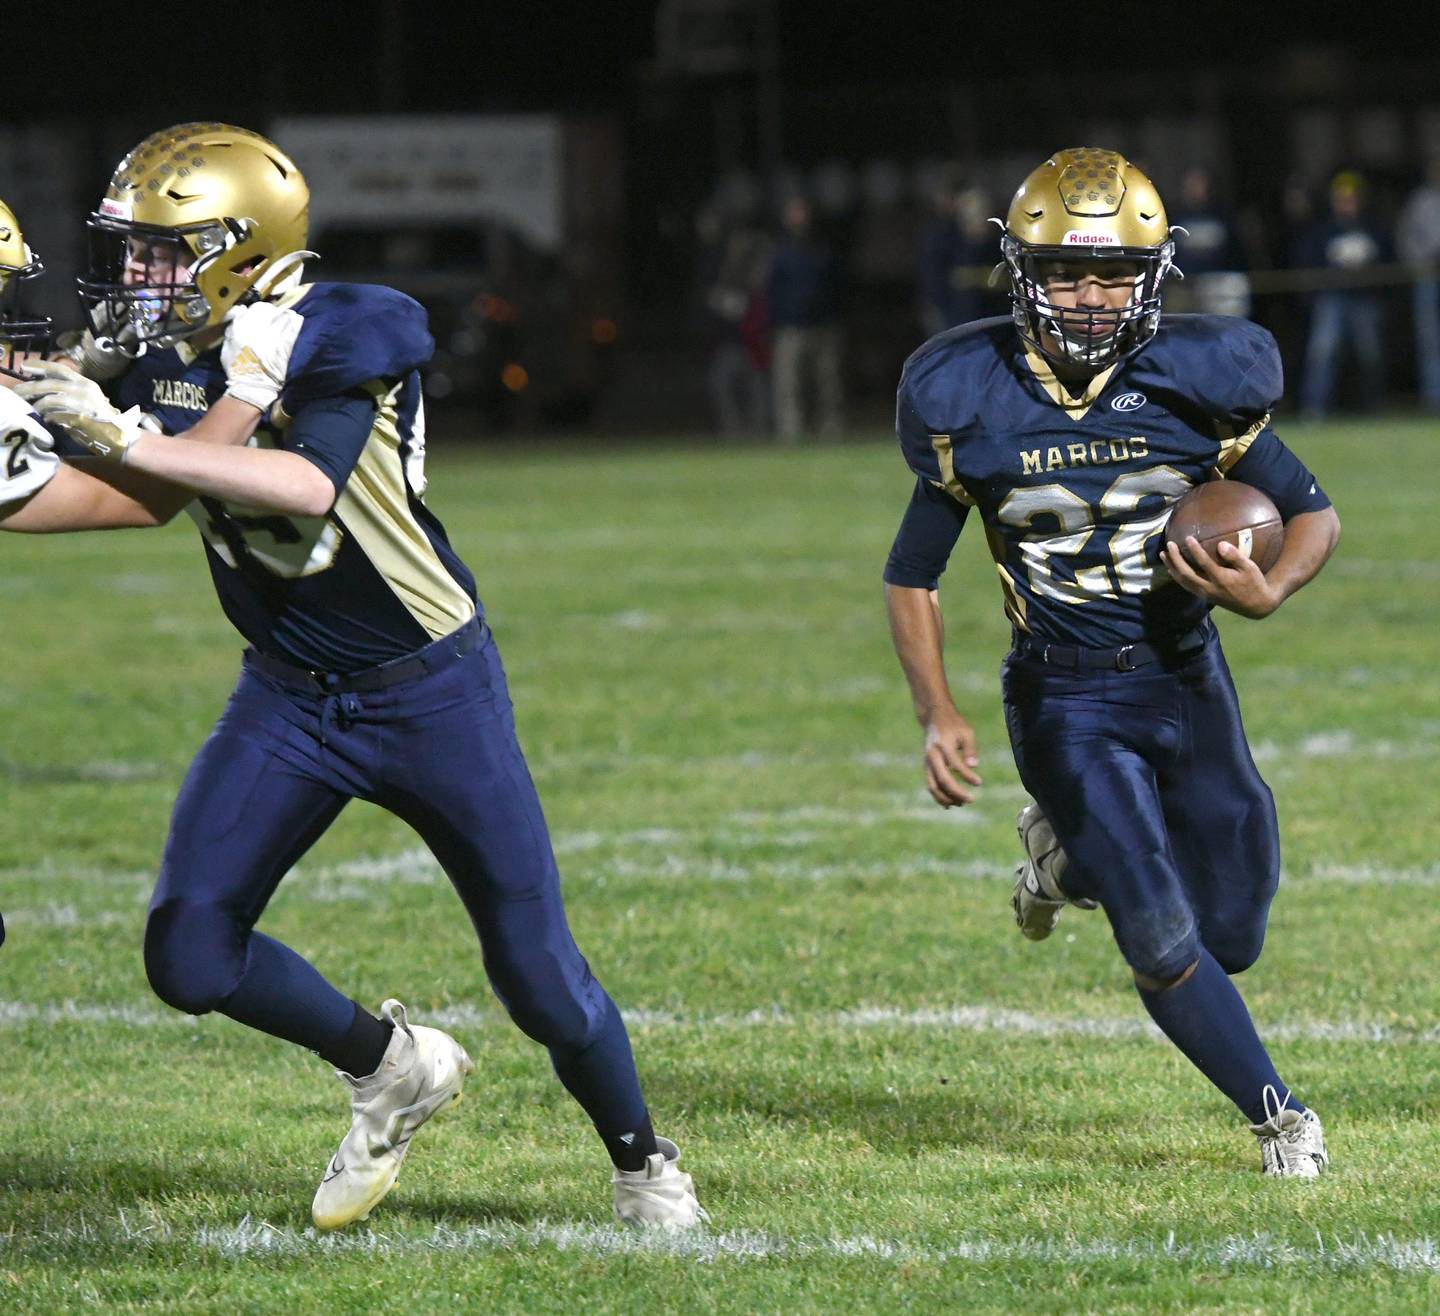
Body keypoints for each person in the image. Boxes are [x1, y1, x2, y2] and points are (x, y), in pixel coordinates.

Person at [17, 122, 705, 1232]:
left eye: (161, 251)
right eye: (130, 250)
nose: (137, 277)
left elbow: (296, 484)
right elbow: (143, 486)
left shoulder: (347, 325)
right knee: (188, 950)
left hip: (428, 685)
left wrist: (124, 437)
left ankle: (644, 1159)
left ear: (242, 248)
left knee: (536, 973)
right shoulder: (163, 356)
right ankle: (389, 1066)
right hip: (288, 692)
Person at [882, 148, 1340, 1176]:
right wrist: (937, 711)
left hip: (1186, 675)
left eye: (1115, 274)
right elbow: (912, 572)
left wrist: (1274, 587)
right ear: (1021, 272)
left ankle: (1060, 860)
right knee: (1157, 922)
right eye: (1066, 274)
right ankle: (1280, 1116)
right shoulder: (971, 388)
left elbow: (1313, 511)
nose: (1092, 297)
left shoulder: (1198, 381)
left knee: (1232, 931)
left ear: (1155, 273)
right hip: (1064, 694)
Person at [1296, 171, 1391, 417]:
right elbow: (1310, 264)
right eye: (1342, 198)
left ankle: (1374, 407)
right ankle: (1315, 409)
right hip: (1332, 299)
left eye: (1351, 198)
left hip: (1365, 300)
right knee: (1323, 352)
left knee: (1372, 354)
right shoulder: (1323, 231)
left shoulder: (1374, 228)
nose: (1347, 203)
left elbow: (1390, 262)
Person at [767, 196, 844, 440]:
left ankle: (831, 426)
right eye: (794, 212)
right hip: (791, 327)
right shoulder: (781, 253)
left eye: (802, 212)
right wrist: (774, 323)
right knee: (789, 384)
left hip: (824, 325)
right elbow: (772, 292)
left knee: (828, 382)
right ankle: (791, 429)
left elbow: (837, 287)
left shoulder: (823, 250)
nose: (799, 218)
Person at [1396, 153, 1440, 413]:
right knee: (1430, 339)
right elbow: (1405, 238)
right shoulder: (1420, 202)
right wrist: (1422, 261)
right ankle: (1434, 398)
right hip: (1428, 276)